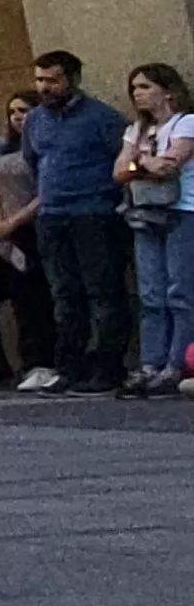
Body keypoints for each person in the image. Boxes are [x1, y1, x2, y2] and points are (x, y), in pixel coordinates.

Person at [23, 51, 133, 396]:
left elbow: (123, 162)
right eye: (40, 80)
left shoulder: (102, 118)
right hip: (53, 216)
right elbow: (32, 160)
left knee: (102, 292)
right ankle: (70, 367)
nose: (44, 88)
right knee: (64, 294)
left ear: (73, 79)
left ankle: (107, 367)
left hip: (94, 213)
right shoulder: (36, 120)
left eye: (52, 80)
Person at [116, 64, 194, 397]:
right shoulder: (136, 130)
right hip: (145, 212)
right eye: (134, 87)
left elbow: (170, 163)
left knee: (179, 291)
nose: (138, 93)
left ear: (168, 91)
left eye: (146, 86)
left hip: (182, 210)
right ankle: (151, 362)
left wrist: (140, 164)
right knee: (151, 293)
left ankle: (176, 364)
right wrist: (143, 165)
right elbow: (120, 171)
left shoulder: (185, 123)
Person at [0, 95, 56, 389]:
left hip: (35, 226)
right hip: (8, 231)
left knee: (44, 297)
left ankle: (51, 360)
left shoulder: (43, 150)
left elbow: (49, 188)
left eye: (24, 110)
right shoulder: (5, 150)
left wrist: (16, 220)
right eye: (12, 111)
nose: (17, 116)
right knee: (21, 301)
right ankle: (31, 362)